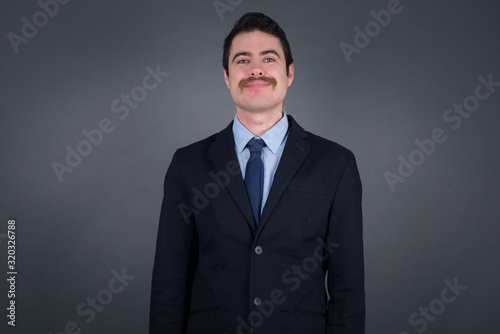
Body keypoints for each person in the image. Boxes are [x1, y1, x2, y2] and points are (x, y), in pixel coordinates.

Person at [150, 12, 365, 334]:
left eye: (269, 58)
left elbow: (348, 286)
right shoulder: (188, 164)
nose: (256, 69)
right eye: (242, 60)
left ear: (290, 72)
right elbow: (169, 279)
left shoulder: (336, 163)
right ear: (226, 75)